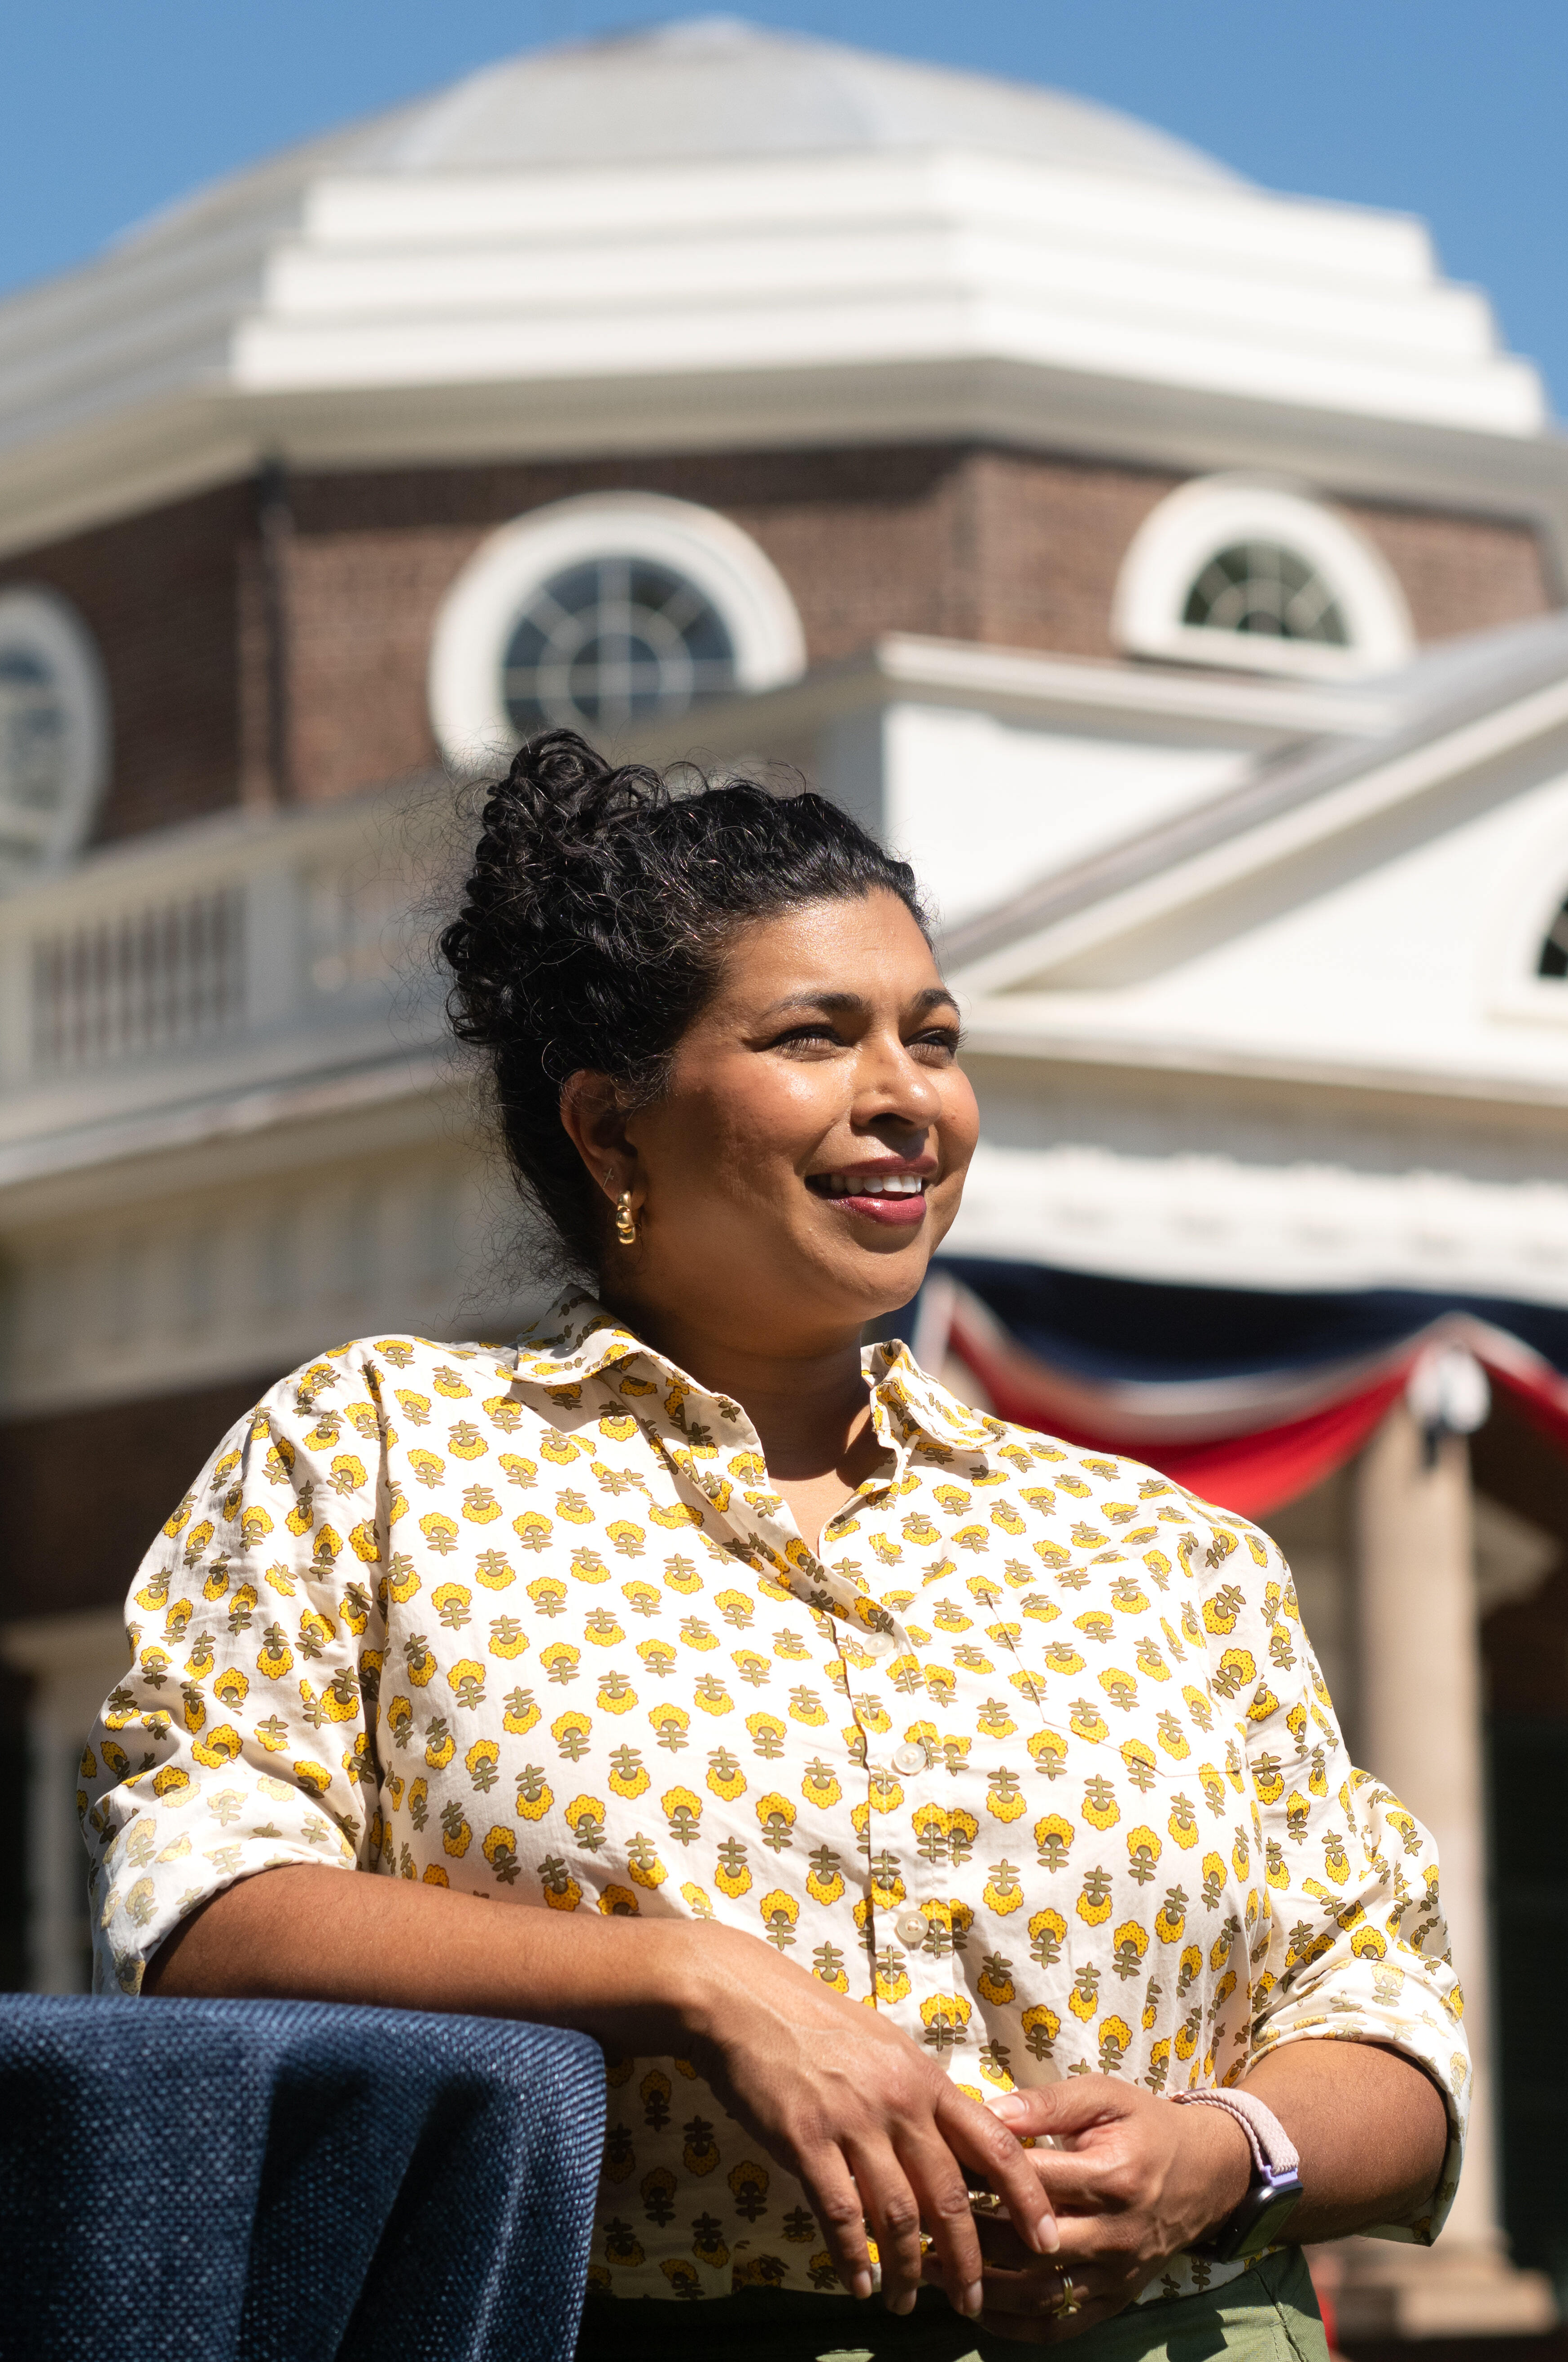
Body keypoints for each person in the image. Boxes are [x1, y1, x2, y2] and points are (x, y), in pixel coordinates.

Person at [85, 732, 1468, 2359]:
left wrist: (1223, 2163)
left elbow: (1390, 2027)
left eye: (932, 1039)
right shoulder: (381, 1456)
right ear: (610, 1131)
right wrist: (691, 1983)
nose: (906, 1100)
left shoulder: (1168, 1553)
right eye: (816, 1036)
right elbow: (205, 1911)